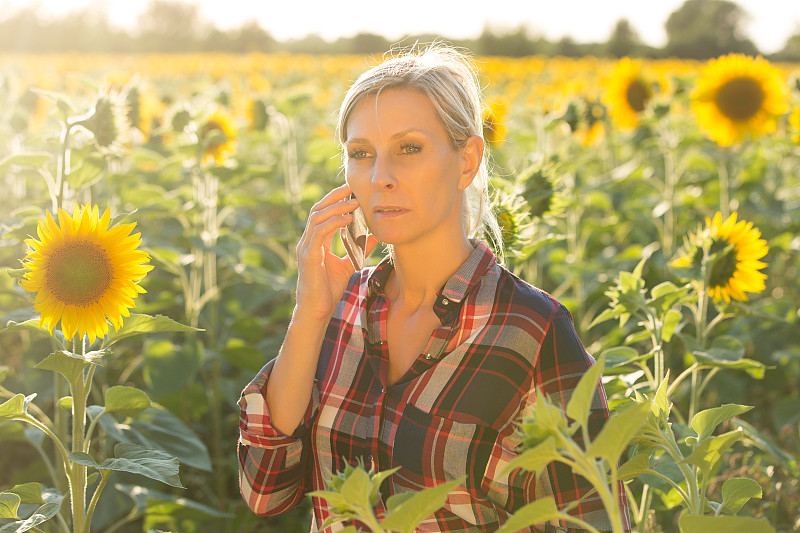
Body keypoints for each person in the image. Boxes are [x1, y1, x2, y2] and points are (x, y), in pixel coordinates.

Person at [238, 43, 628, 532]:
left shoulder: (530, 332)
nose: (381, 177)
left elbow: (594, 520)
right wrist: (310, 312)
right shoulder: (340, 310)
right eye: (361, 154)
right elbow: (264, 489)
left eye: (409, 148)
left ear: (466, 160)